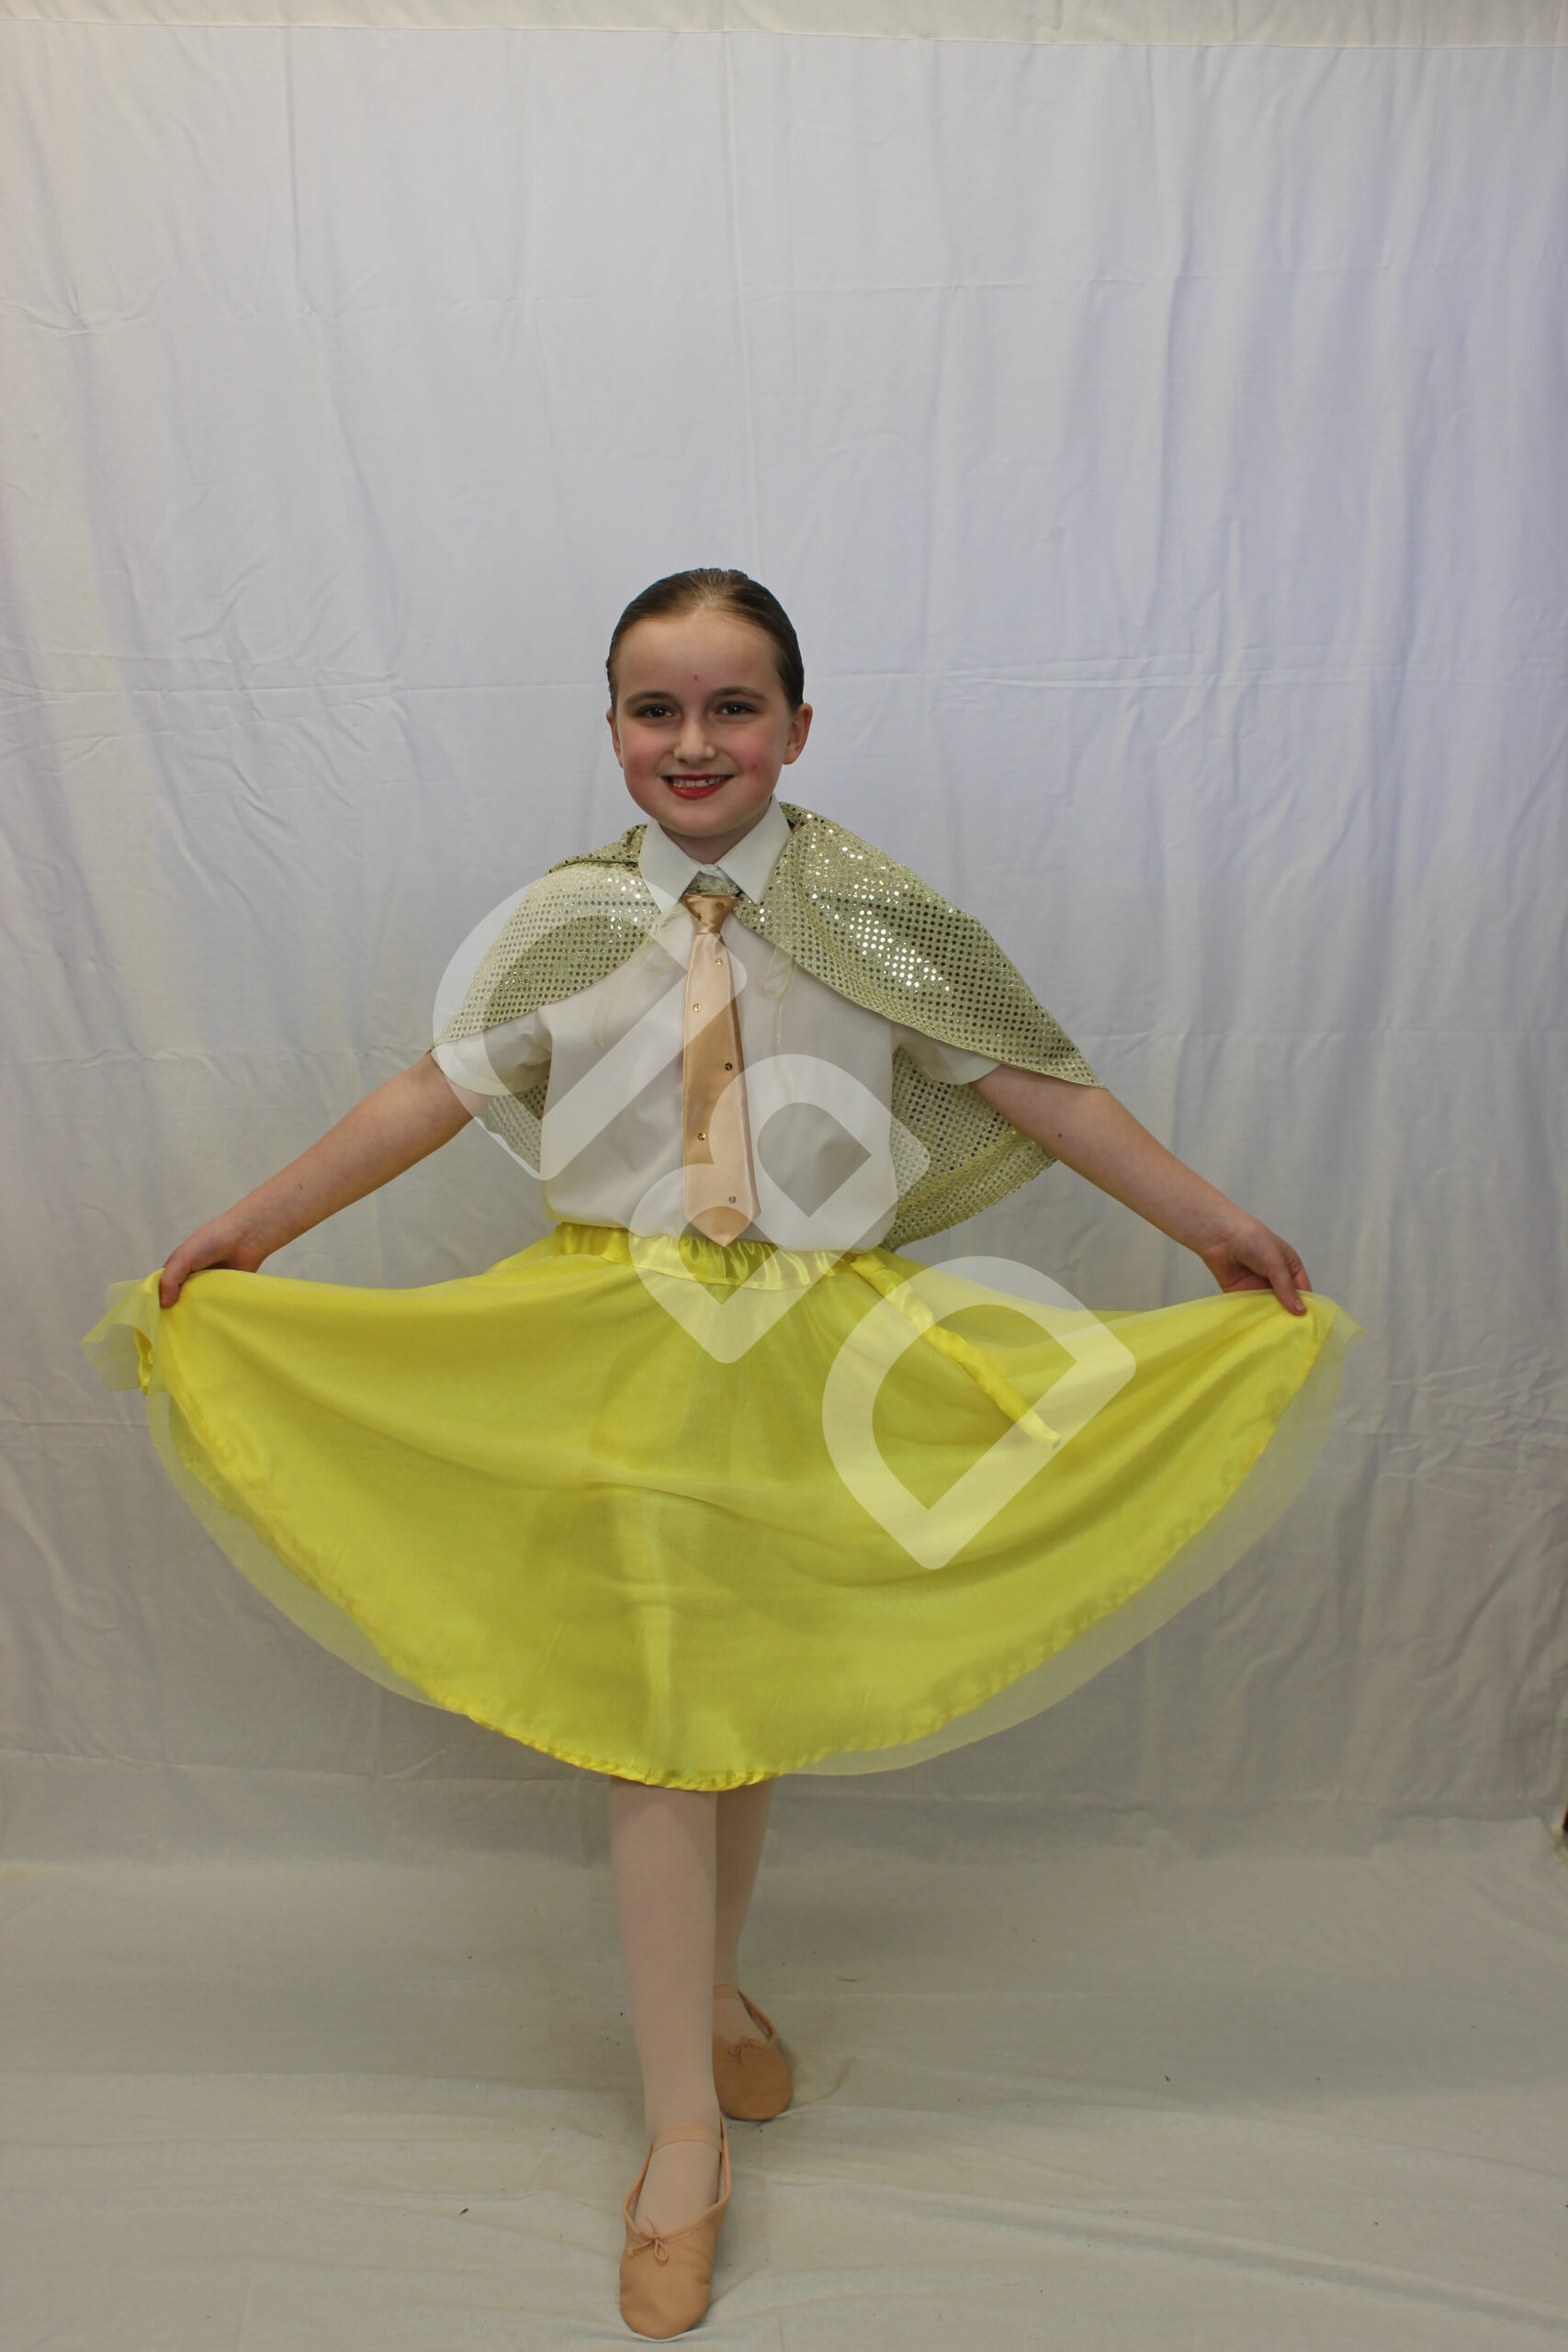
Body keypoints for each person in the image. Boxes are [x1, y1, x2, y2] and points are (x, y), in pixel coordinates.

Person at [85, 569, 1357, 2340]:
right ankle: (683, 2133)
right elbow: (431, 1092)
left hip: (805, 1353)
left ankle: (714, 1991)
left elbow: (1039, 1085)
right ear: (612, 725)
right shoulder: (566, 919)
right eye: (656, 709)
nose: (694, 742)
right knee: (663, 1727)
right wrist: (252, 1227)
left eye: (733, 707)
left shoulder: (877, 914)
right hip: (611, 1352)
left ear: (798, 727)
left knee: (729, 1708)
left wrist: (1210, 1222)